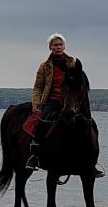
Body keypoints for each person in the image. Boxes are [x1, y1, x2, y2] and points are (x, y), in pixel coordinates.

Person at [25, 33, 76, 170]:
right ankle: (35, 156)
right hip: (52, 101)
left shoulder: (73, 63)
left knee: (87, 124)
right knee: (41, 124)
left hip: (70, 103)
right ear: (50, 47)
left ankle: (90, 161)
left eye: (60, 44)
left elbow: (79, 84)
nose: (58, 47)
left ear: (64, 46)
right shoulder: (45, 66)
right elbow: (38, 87)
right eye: (55, 45)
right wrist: (36, 104)